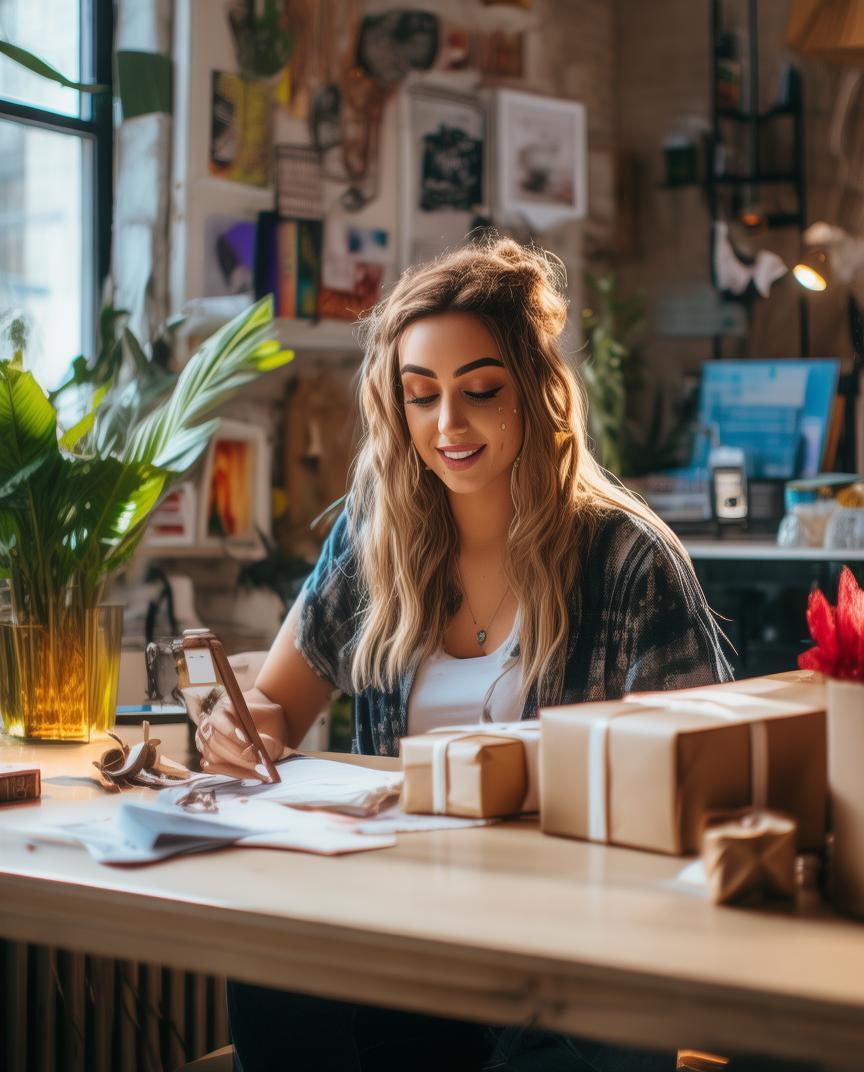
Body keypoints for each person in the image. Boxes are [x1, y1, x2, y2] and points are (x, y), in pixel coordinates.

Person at [197, 238, 733, 1071]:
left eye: (480, 391)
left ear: (536, 391)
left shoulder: (629, 562)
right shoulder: (374, 539)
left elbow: (709, 793)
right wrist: (239, 730)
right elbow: (275, 708)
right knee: (270, 974)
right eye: (421, 395)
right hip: (407, 934)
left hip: (571, 950)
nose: (447, 425)